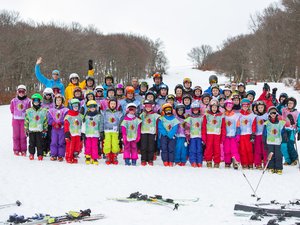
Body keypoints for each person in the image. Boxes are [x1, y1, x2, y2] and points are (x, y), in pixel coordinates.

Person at [202, 99, 225, 168]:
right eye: (213, 107)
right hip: (209, 134)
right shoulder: (207, 115)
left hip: (217, 135)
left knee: (217, 149)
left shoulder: (221, 116)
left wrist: (222, 136)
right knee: (208, 148)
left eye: (215, 107)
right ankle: (208, 161)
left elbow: (223, 127)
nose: (214, 109)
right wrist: (204, 136)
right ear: (210, 107)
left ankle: (216, 162)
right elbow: (204, 126)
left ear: (218, 107)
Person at [263, 106, 287, 174]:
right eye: (271, 113)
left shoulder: (280, 123)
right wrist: (264, 142)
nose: (273, 114)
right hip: (270, 141)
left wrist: (284, 134)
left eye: (274, 113)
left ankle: (279, 168)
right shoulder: (267, 123)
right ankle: (271, 167)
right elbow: (264, 133)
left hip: (277, 141)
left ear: (276, 114)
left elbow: (282, 130)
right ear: (269, 114)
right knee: (270, 155)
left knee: (278, 155)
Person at [24, 93, 48, 160]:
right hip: (31, 130)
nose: (36, 102)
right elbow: (26, 120)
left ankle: (40, 155)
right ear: (32, 101)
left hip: (39, 130)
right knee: (31, 143)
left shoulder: (44, 111)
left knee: (40, 144)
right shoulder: (29, 111)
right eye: (34, 101)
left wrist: (45, 130)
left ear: (40, 101)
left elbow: (45, 121)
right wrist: (26, 129)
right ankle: (31, 154)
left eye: (37, 101)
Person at [10, 85, 31, 156]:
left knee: (23, 136)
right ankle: (16, 149)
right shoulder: (14, 100)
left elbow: (29, 110)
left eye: (23, 91)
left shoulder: (28, 101)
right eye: (20, 91)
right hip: (16, 120)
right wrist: (16, 115)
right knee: (16, 135)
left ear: (25, 92)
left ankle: (23, 150)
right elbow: (12, 109)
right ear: (17, 92)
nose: (21, 93)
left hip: (24, 120)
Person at [82, 100, 104, 165]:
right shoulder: (86, 116)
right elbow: (84, 124)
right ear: (88, 108)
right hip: (88, 134)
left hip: (95, 134)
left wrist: (101, 132)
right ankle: (88, 157)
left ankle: (94, 158)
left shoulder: (98, 115)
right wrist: (83, 132)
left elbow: (100, 124)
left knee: (94, 146)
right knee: (88, 146)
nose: (92, 108)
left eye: (94, 106)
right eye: (91, 107)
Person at [48, 94, 68, 161]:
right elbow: (49, 119)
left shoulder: (65, 110)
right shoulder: (52, 110)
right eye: (57, 100)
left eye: (60, 100)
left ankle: (60, 155)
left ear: (62, 101)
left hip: (61, 128)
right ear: (55, 101)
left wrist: (61, 123)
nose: (58, 101)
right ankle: (53, 154)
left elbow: (66, 118)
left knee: (61, 142)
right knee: (54, 141)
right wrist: (53, 123)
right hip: (54, 129)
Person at [102, 97, 123, 165]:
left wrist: (120, 131)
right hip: (107, 130)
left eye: (114, 104)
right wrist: (101, 131)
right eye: (111, 103)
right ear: (109, 104)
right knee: (107, 143)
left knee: (115, 144)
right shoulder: (105, 112)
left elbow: (120, 122)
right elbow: (102, 122)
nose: (113, 105)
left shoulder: (119, 113)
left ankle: (114, 156)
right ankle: (108, 156)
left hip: (115, 131)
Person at [139, 100, 160, 166]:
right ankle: (143, 159)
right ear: (144, 107)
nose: (148, 108)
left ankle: (150, 159)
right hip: (143, 132)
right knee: (144, 146)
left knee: (151, 146)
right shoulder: (142, 114)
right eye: (147, 107)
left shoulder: (155, 115)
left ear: (152, 107)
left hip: (152, 133)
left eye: (149, 107)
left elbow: (157, 124)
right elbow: (139, 123)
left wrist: (156, 132)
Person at [239, 98, 257, 169]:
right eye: (244, 105)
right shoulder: (239, 114)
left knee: (249, 149)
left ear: (249, 106)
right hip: (241, 135)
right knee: (242, 150)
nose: (245, 106)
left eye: (247, 105)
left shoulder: (252, 115)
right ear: (241, 105)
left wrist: (253, 134)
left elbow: (254, 125)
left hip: (249, 134)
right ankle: (244, 163)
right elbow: (237, 125)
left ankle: (250, 163)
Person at [281, 97, 299, 165]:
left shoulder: (297, 113)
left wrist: (299, 130)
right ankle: (287, 160)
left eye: (291, 103)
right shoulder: (284, 110)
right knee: (283, 145)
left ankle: (294, 159)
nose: (289, 104)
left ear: (294, 104)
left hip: (292, 130)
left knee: (290, 144)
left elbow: (299, 123)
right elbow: (279, 109)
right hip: (284, 129)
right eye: (288, 103)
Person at [185, 101, 204, 167]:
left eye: (196, 109)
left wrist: (203, 136)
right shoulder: (190, 118)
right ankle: (193, 161)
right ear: (192, 110)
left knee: (199, 149)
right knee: (192, 149)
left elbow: (203, 127)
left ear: (199, 110)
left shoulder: (201, 118)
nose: (195, 111)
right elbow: (187, 127)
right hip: (192, 136)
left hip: (199, 136)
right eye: (194, 110)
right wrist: (187, 136)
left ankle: (199, 161)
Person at [64, 98, 83, 164]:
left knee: (77, 147)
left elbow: (82, 124)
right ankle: (69, 157)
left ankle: (74, 157)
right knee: (70, 146)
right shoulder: (68, 116)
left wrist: (82, 133)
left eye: (77, 106)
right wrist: (67, 133)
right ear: (71, 106)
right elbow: (66, 125)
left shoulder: (80, 116)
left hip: (78, 134)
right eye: (74, 106)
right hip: (71, 134)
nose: (76, 107)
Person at [223, 99, 240, 169]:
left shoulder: (235, 115)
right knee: (226, 149)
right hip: (226, 136)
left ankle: (235, 162)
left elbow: (238, 126)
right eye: (227, 105)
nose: (229, 106)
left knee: (234, 149)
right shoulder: (223, 115)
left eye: (230, 105)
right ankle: (227, 162)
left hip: (233, 135)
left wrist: (238, 134)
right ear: (225, 106)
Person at [253, 101, 268, 169]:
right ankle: (258, 163)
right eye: (259, 108)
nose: (260, 109)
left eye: (262, 107)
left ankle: (266, 163)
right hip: (257, 135)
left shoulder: (267, 115)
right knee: (257, 150)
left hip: (264, 135)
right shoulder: (255, 116)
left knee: (265, 150)